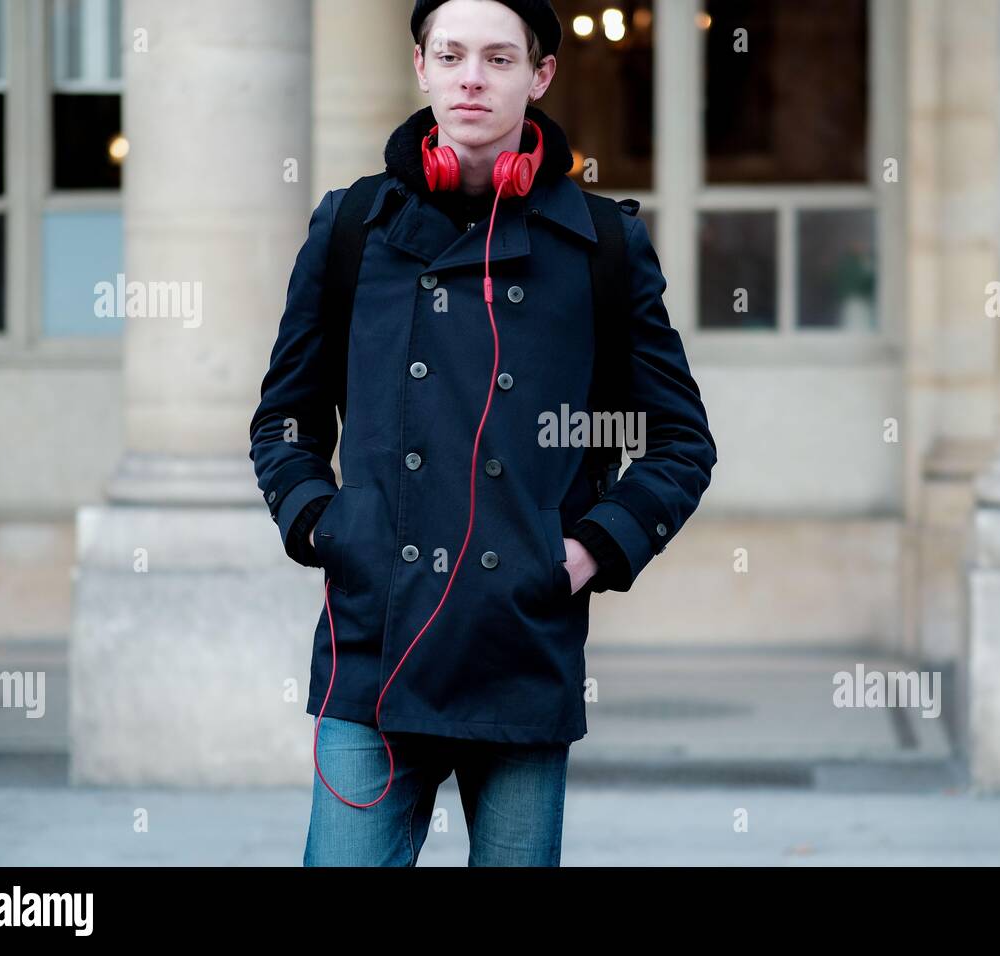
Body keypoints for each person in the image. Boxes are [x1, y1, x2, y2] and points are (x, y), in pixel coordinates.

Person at [249, 0, 717, 866]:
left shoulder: (603, 243)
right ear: (420, 65)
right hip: (374, 649)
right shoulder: (351, 228)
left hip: (521, 649)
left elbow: (680, 440)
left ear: (538, 77)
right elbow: (286, 418)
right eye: (452, 54)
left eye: (499, 59)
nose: (472, 77)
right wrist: (323, 524)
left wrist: (583, 551)